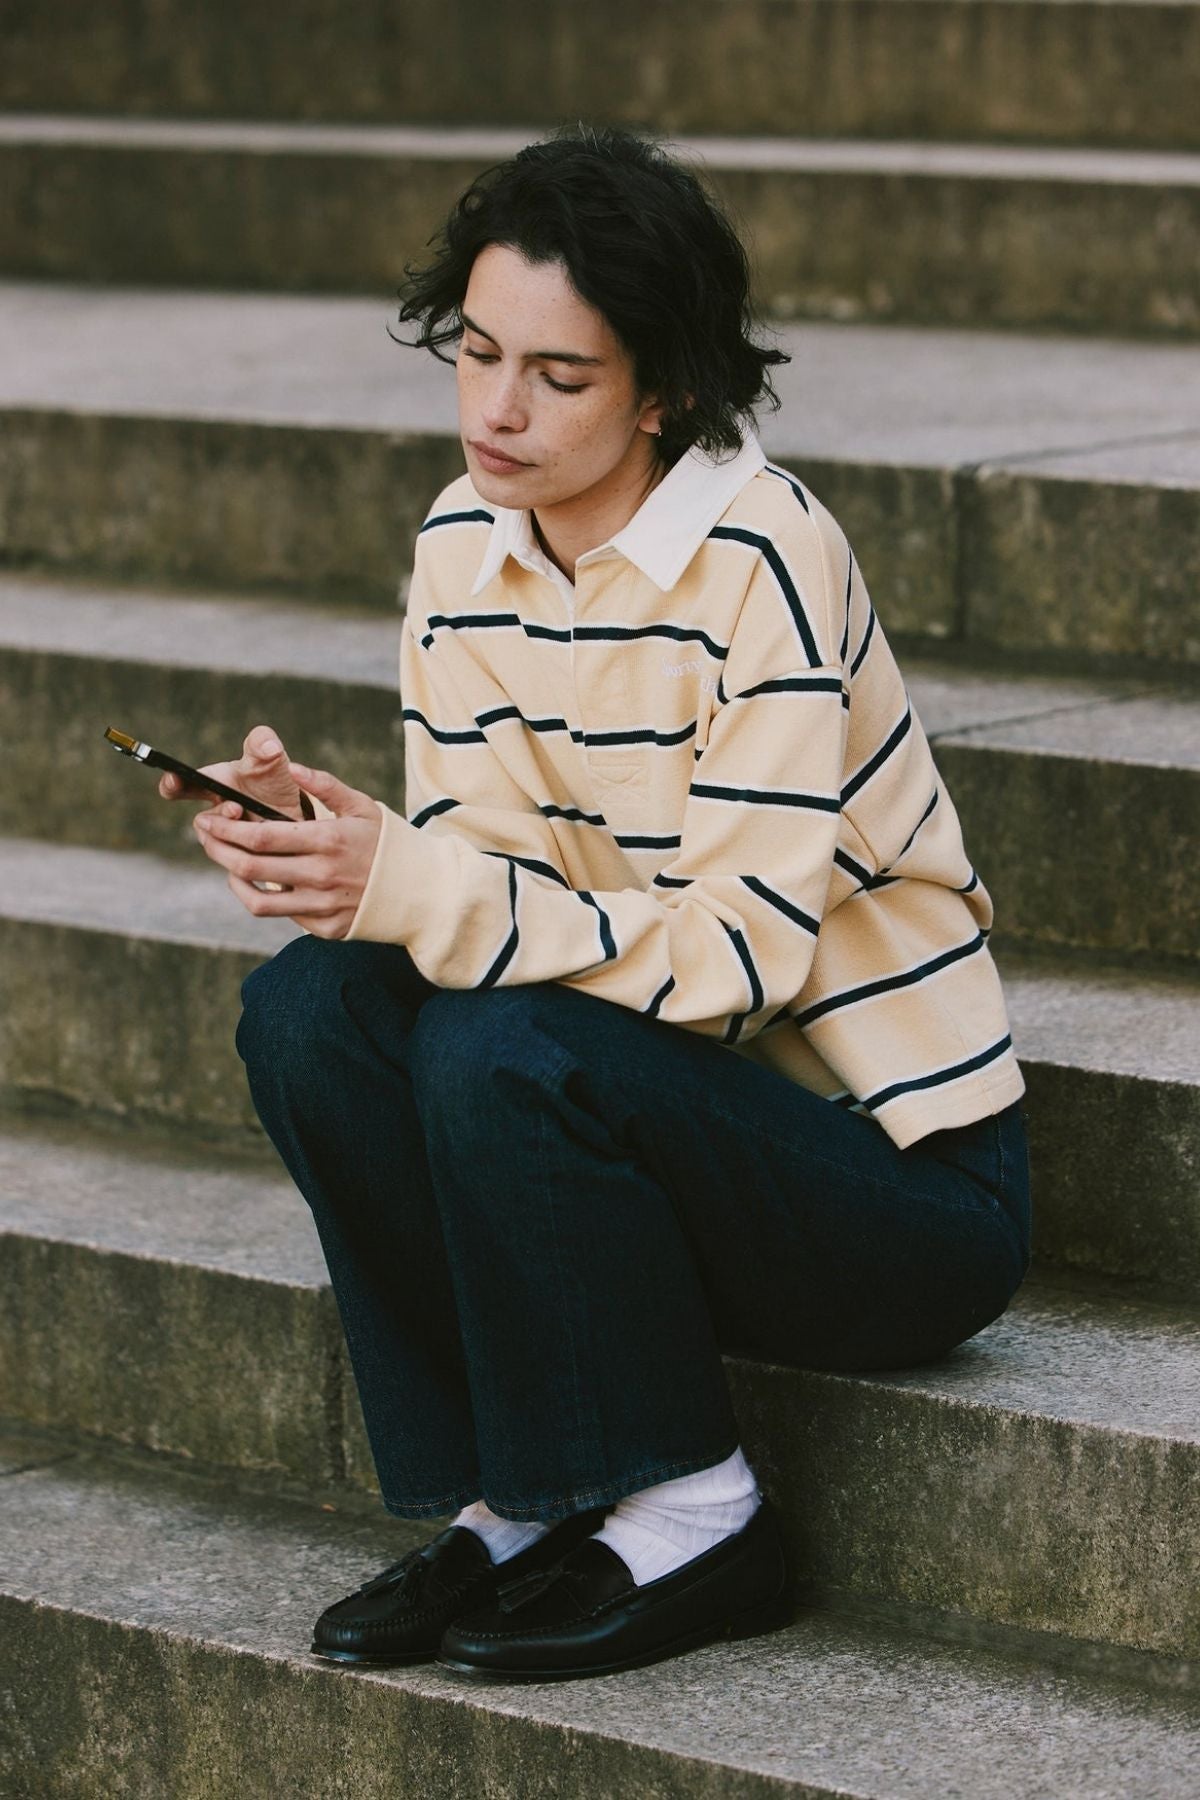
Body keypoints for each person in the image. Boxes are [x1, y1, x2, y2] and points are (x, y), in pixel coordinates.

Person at [163, 126, 1031, 1684]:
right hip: (650, 1135)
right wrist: (356, 852)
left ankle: (702, 1504)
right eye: (478, 352)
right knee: (309, 1004)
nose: (498, 409)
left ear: (663, 389)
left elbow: (747, 961)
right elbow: (496, 889)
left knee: (499, 1048)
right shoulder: (463, 544)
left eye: (559, 378)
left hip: (885, 1182)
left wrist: (425, 890)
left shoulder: (763, 558)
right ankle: (532, 1486)